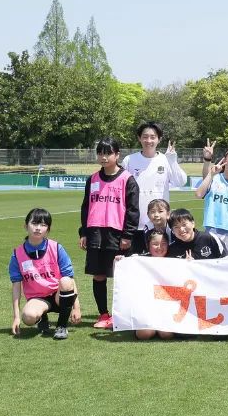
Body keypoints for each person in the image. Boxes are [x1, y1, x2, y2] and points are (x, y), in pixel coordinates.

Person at [79, 138, 139, 330]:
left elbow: (133, 210)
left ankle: (121, 315)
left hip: (117, 234)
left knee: (121, 276)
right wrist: (84, 232)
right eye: (100, 153)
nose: (104, 157)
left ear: (117, 155)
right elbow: (86, 207)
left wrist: (127, 235)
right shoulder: (92, 179)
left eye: (108, 153)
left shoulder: (127, 179)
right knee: (98, 275)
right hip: (96, 233)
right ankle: (104, 314)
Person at [10, 208, 80, 339]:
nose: (38, 228)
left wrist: (76, 308)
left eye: (43, 225)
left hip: (58, 295)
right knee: (28, 317)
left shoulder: (56, 248)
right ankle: (42, 317)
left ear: (48, 229)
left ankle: (61, 326)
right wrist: (16, 317)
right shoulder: (17, 254)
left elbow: (70, 278)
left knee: (65, 281)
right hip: (38, 299)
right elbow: (16, 286)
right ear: (25, 226)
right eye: (34, 223)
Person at [121, 122, 187, 229]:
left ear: (159, 139)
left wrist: (172, 161)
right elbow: (121, 187)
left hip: (158, 222)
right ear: (139, 138)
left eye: (153, 137)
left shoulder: (166, 159)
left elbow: (181, 182)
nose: (148, 141)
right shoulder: (129, 160)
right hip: (134, 221)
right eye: (145, 137)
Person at [132, 229, 175, 340]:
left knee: (166, 334)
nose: (159, 247)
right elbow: (122, 274)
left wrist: (189, 263)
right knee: (144, 334)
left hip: (167, 307)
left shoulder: (174, 260)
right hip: (146, 307)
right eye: (155, 244)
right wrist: (119, 261)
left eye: (163, 243)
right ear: (148, 245)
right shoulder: (140, 260)